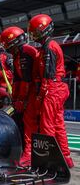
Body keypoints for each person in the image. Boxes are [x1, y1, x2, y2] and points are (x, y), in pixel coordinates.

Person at [28, 14, 73, 168]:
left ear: (43, 30)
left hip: (52, 89)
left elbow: (48, 75)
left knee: (48, 125)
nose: (33, 35)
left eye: (35, 32)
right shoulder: (48, 46)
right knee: (58, 124)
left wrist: (41, 95)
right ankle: (66, 158)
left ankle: (49, 162)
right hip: (56, 88)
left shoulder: (50, 47)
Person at [0, 26, 39, 167]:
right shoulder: (17, 54)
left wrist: (22, 100)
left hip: (34, 93)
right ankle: (22, 148)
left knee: (30, 123)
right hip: (26, 92)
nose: (6, 48)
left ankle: (29, 154)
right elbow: (17, 79)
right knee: (18, 119)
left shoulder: (27, 53)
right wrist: (15, 98)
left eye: (6, 44)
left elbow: (28, 80)